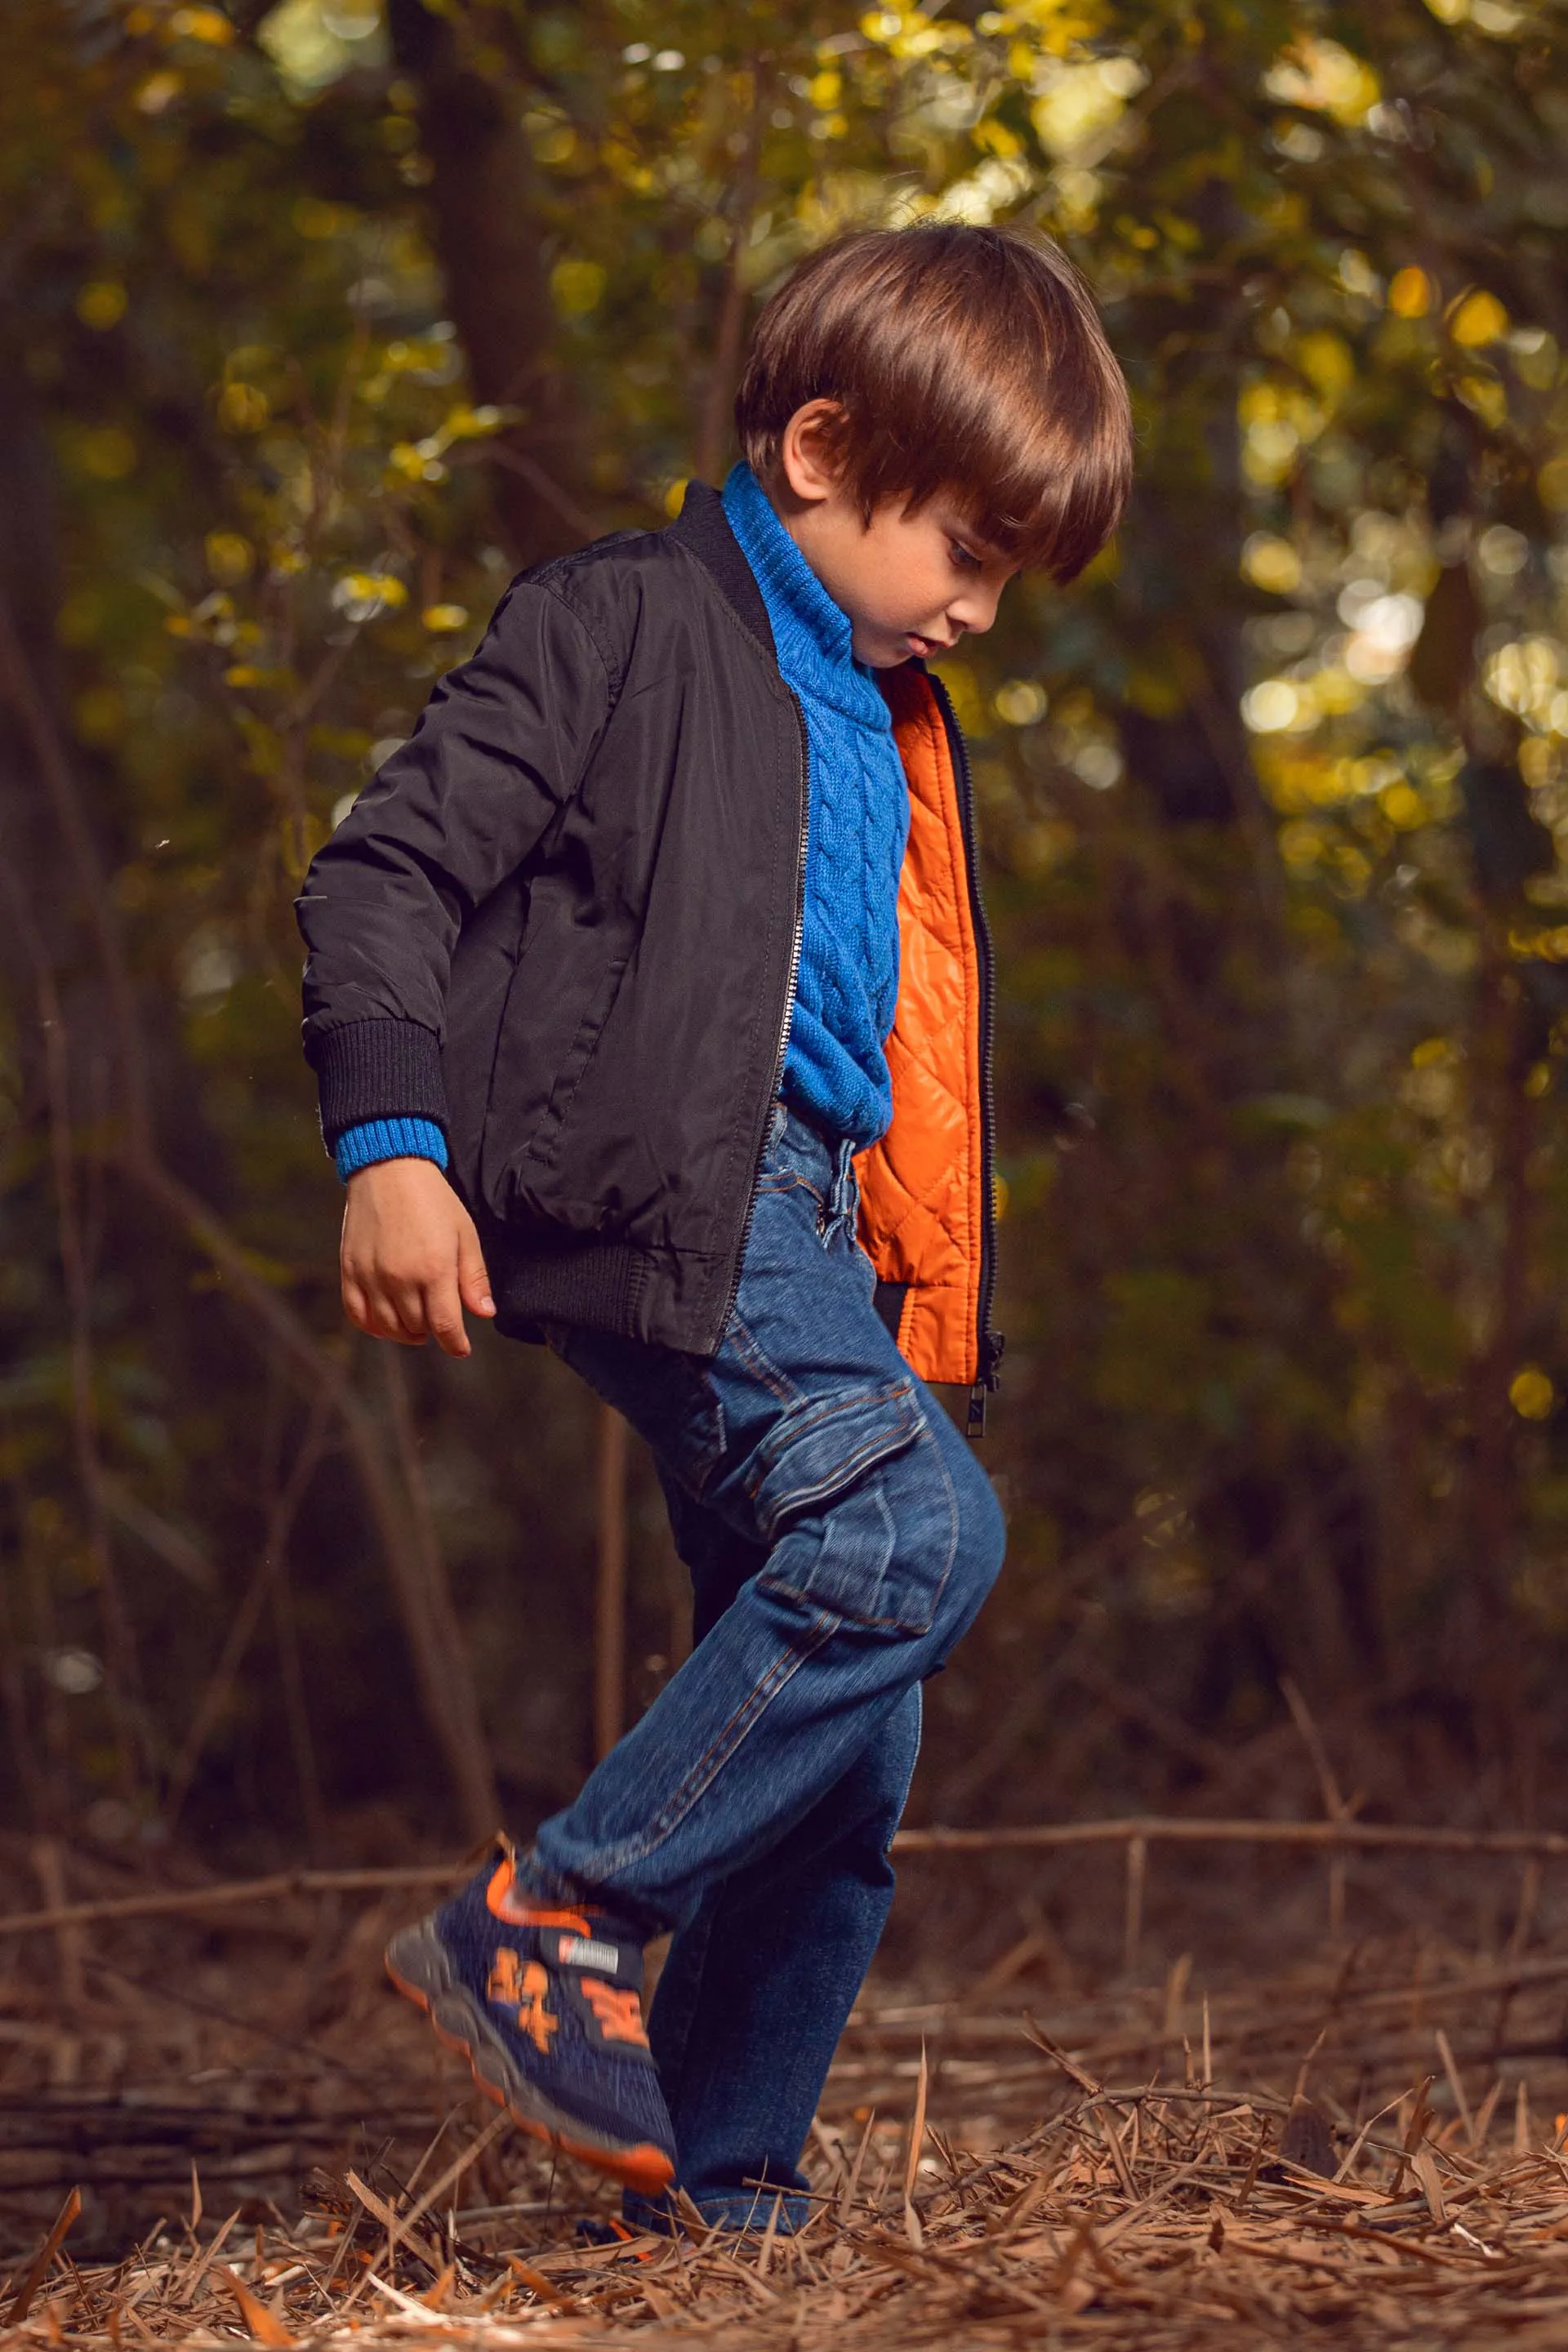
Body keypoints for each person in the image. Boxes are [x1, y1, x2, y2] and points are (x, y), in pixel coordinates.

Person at [296, 222, 1132, 2231]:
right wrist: (390, 1142)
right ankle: (549, 1919)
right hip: (660, 1191)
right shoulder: (627, 623)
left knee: (847, 1763)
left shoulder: (881, 704)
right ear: (827, 449)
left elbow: (875, 1029)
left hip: (802, 1232)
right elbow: (382, 872)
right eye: (972, 549)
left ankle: (716, 2190)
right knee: (913, 1534)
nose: (983, 612)